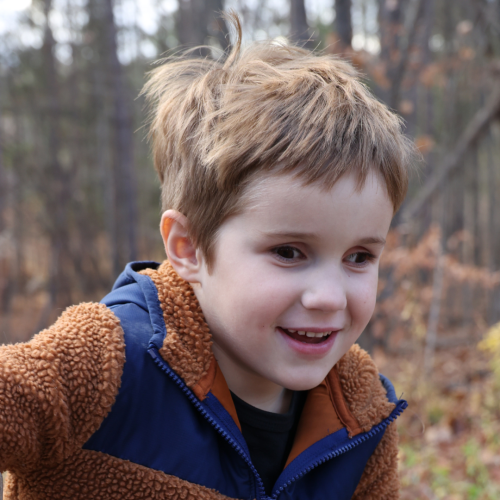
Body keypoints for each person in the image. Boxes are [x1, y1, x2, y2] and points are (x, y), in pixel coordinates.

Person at [0, 15, 415, 500]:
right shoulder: (106, 361)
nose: (328, 297)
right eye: (288, 252)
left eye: (360, 257)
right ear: (188, 247)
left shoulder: (361, 415)